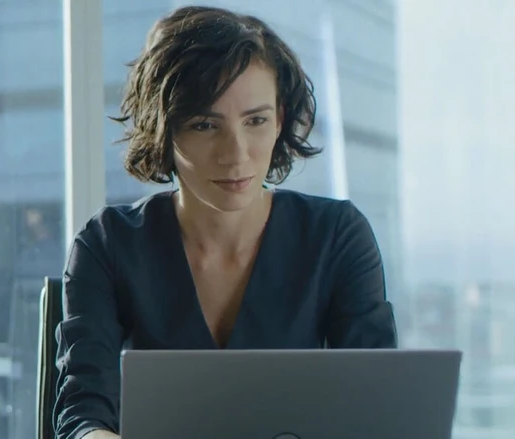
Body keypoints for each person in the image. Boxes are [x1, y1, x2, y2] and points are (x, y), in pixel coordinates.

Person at [53, 6, 399, 439]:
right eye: (205, 125)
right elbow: (83, 414)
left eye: (256, 120)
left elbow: (377, 408)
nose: (236, 154)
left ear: (280, 120)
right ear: (165, 129)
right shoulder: (107, 245)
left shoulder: (336, 236)